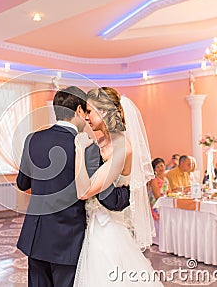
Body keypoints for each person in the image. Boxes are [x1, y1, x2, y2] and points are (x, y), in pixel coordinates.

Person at [16, 86, 130, 287]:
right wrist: (126, 192)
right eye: (85, 111)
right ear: (78, 110)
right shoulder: (89, 149)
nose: (87, 117)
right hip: (67, 242)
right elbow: (106, 197)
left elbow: (22, 183)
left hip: (35, 238)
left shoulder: (32, 139)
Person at [73, 87, 162, 286]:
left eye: (89, 111)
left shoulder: (122, 146)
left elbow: (85, 191)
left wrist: (79, 149)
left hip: (109, 228)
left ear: (103, 111)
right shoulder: (103, 141)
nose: (86, 117)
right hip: (94, 223)